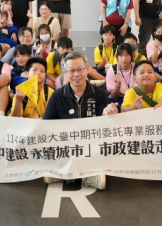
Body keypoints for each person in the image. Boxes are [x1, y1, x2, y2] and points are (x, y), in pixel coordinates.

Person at [43, 52, 118, 190]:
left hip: (90, 144)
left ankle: (66, 174)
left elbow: (105, 125)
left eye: (80, 69)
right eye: (71, 70)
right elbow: (47, 124)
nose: (76, 74)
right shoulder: (57, 96)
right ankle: (84, 175)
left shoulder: (99, 94)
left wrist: (108, 114)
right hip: (66, 144)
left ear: (87, 69)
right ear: (65, 72)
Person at [105, 43, 137, 108]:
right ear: (117, 57)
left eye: (127, 55)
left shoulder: (137, 68)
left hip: (134, 98)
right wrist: (118, 85)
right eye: (120, 55)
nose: (124, 59)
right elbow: (113, 96)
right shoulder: (112, 70)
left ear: (132, 56)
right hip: (118, 100)